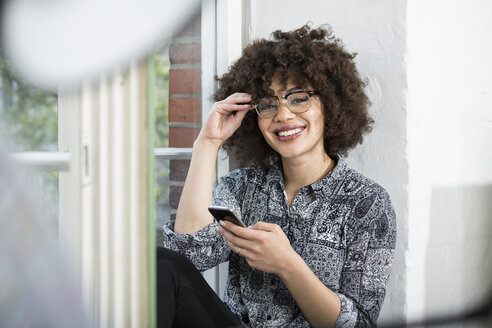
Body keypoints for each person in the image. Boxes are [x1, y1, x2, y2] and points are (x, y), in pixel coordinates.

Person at [159, 24, 396, 328]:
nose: (283, 115)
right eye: (268, 104)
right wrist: (207, 143)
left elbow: (358, 325)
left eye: (298, 98)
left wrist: (287, 265)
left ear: (332, 104)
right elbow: (189, 256)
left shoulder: (368, 204)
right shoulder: (242, 186)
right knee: (161, 264)